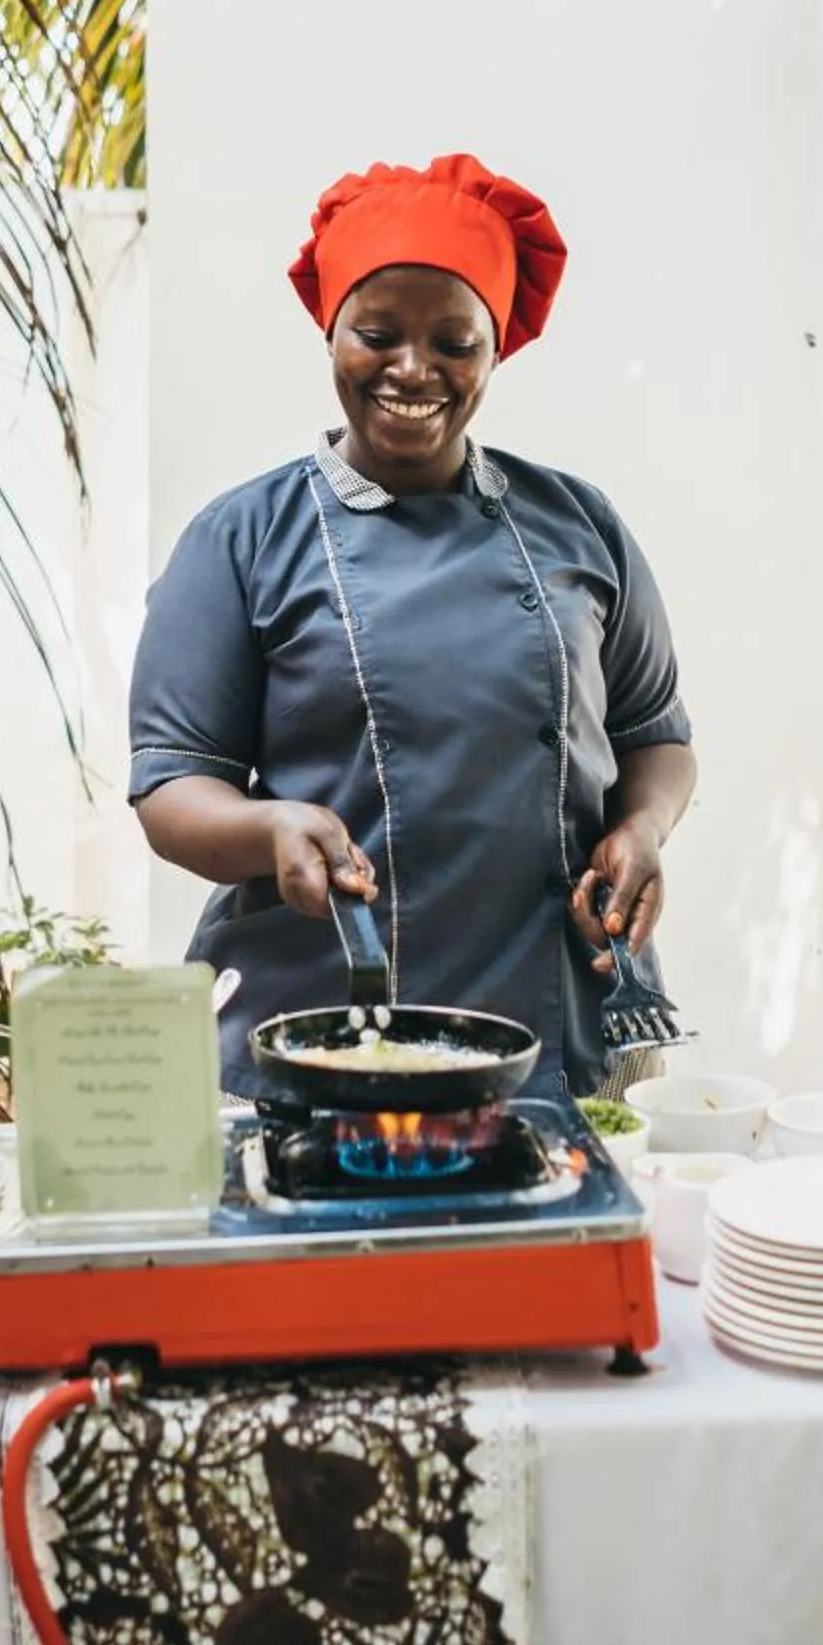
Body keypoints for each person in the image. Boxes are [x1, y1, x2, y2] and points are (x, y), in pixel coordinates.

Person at [128, 153, 698, 1103]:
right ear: (332, 333)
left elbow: (657, 735)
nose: (413, 369)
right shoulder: (244, 537)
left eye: (454, 341)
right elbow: (170, 786)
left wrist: (644, 826)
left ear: (494, 349)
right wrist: (270, 826)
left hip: (564, 1017)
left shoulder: (579, 523)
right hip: (320, 1026)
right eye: (377, 333)